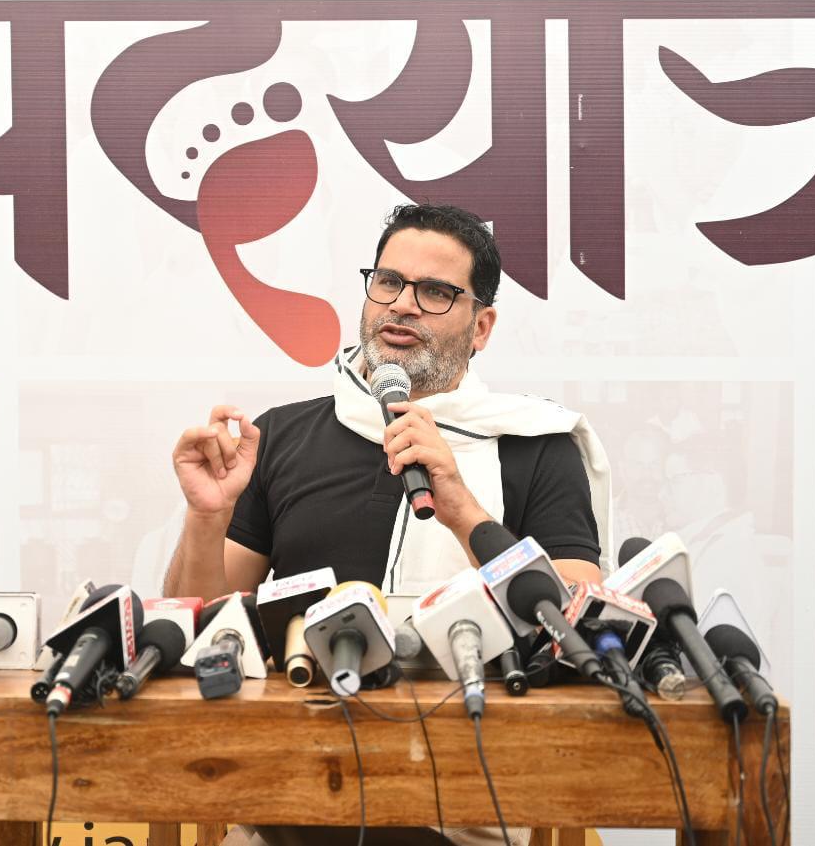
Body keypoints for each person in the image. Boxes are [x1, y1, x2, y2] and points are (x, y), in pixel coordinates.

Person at [162, 204, 606, 846]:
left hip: (464, 806)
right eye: (389, 282)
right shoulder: (283, 434)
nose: (402, 305)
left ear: (481, 326)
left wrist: (462, 510)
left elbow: (575, 626)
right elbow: (201, 628)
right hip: (288, 797)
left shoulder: (534, 446)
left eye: (435, 292)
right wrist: (207, 518)